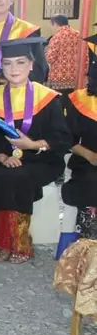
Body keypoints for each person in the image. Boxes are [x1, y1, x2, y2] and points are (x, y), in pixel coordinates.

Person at [0, 37, 71, 263]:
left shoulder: (48, 98)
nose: (14, 69)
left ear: (31, 64)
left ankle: (19, 243)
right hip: (3, 160)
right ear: (2, 67)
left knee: (17, 177)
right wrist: (2, 156)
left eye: (20, 62)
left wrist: (33, 145)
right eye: (8, 63)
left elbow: (62, 138)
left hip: (41, 159)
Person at [61, 34, 97, 239]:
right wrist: (89, 155)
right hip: (88, 162)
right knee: (92, 182)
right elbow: (68, 139)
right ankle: (90, 240)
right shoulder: (79, 100)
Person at [44, 14, 84, 94]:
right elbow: (85, 56)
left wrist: (45, 53)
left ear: (55, 24)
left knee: (60, 101)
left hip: (58, 79)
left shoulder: (56, 37)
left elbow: (50, 58)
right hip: (76, 79)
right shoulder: (79, 35)